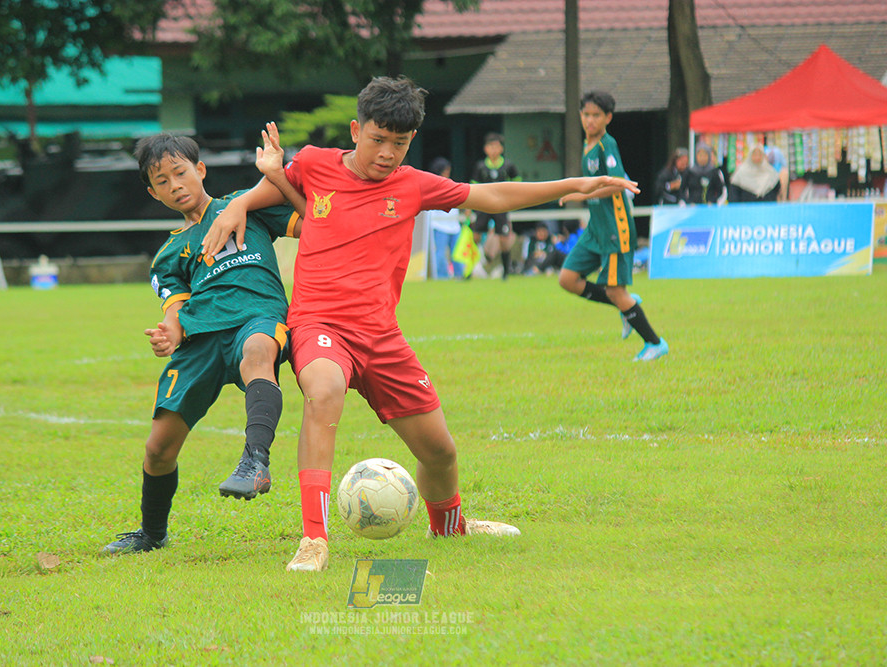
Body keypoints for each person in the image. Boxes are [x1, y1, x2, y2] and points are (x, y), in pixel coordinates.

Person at [202, 78, 639, 572]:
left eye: (400, 143)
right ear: (356, 129)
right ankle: (314, 540)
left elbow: (491, 197)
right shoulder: (315, 163)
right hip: (318, 323)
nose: (388, 153)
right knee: (323, 392)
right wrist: (238, 202)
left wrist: (575, 185)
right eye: (378, 139)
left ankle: (450, 525)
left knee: (440, 452)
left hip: (381, 337)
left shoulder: (413, 185)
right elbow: (273, 184)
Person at [101, 133, 305, 555]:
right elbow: (175, 309)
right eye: (162, 181)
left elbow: (313, 219)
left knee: (258, 353)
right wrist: (168, 334)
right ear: (154, 194)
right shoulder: (169, 253)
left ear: (201, 170)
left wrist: (272, 177)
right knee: (158, 449)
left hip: (257, 316)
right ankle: (152, 534)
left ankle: (255, 460)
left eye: (181, 172)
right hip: (201, 340)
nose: (175, 184)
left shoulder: (245, 205)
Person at [558, 90, 668, 362]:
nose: (590, 120)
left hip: (615, 229)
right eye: (586, 114)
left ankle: (655, 343)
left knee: (615, 291)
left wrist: (580, 193)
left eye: (596, 115)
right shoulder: (587, 146)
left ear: (608, 117)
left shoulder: (608, 145)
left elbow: (615, 184)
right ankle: (628, 304)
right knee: (568, 279)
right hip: (596, 229)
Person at [470, 132, 521, 279]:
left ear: (501, 149)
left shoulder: (508, 166)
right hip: (483, 207)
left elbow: (518, 184)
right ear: (485, 149)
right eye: (490, 146)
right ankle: (473, 267)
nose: (493, 150)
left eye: (496, 146)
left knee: (504, 239)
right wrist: (469, 208)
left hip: (501, 207)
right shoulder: (480, 167)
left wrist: (512, 201)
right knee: (476, 236)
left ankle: (506, 272)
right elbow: (473, 186)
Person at [424, 157, 464, 279]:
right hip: (439, 225)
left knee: (457, 252)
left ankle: (460, 276)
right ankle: (442, 277)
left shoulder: (451, 183)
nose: (448, 172)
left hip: (454, 225)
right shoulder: (432, 185)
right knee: (440, 254)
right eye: (445, 170)